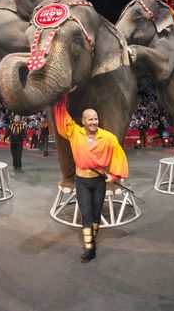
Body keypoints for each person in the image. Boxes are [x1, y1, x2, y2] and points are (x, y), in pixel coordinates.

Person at [54, 92, 129, 263]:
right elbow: (63, 118)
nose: (94, 122)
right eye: (90, 119)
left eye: (96, 119)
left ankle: (92, 240)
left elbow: (118, 155)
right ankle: (89, 247)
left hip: (99, 181)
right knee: (86, 214)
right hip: (82, 182)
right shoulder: (75, 132)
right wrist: (61, 99)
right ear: (83, 121)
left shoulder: (108, 137)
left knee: (96, 214)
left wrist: (114, 175)